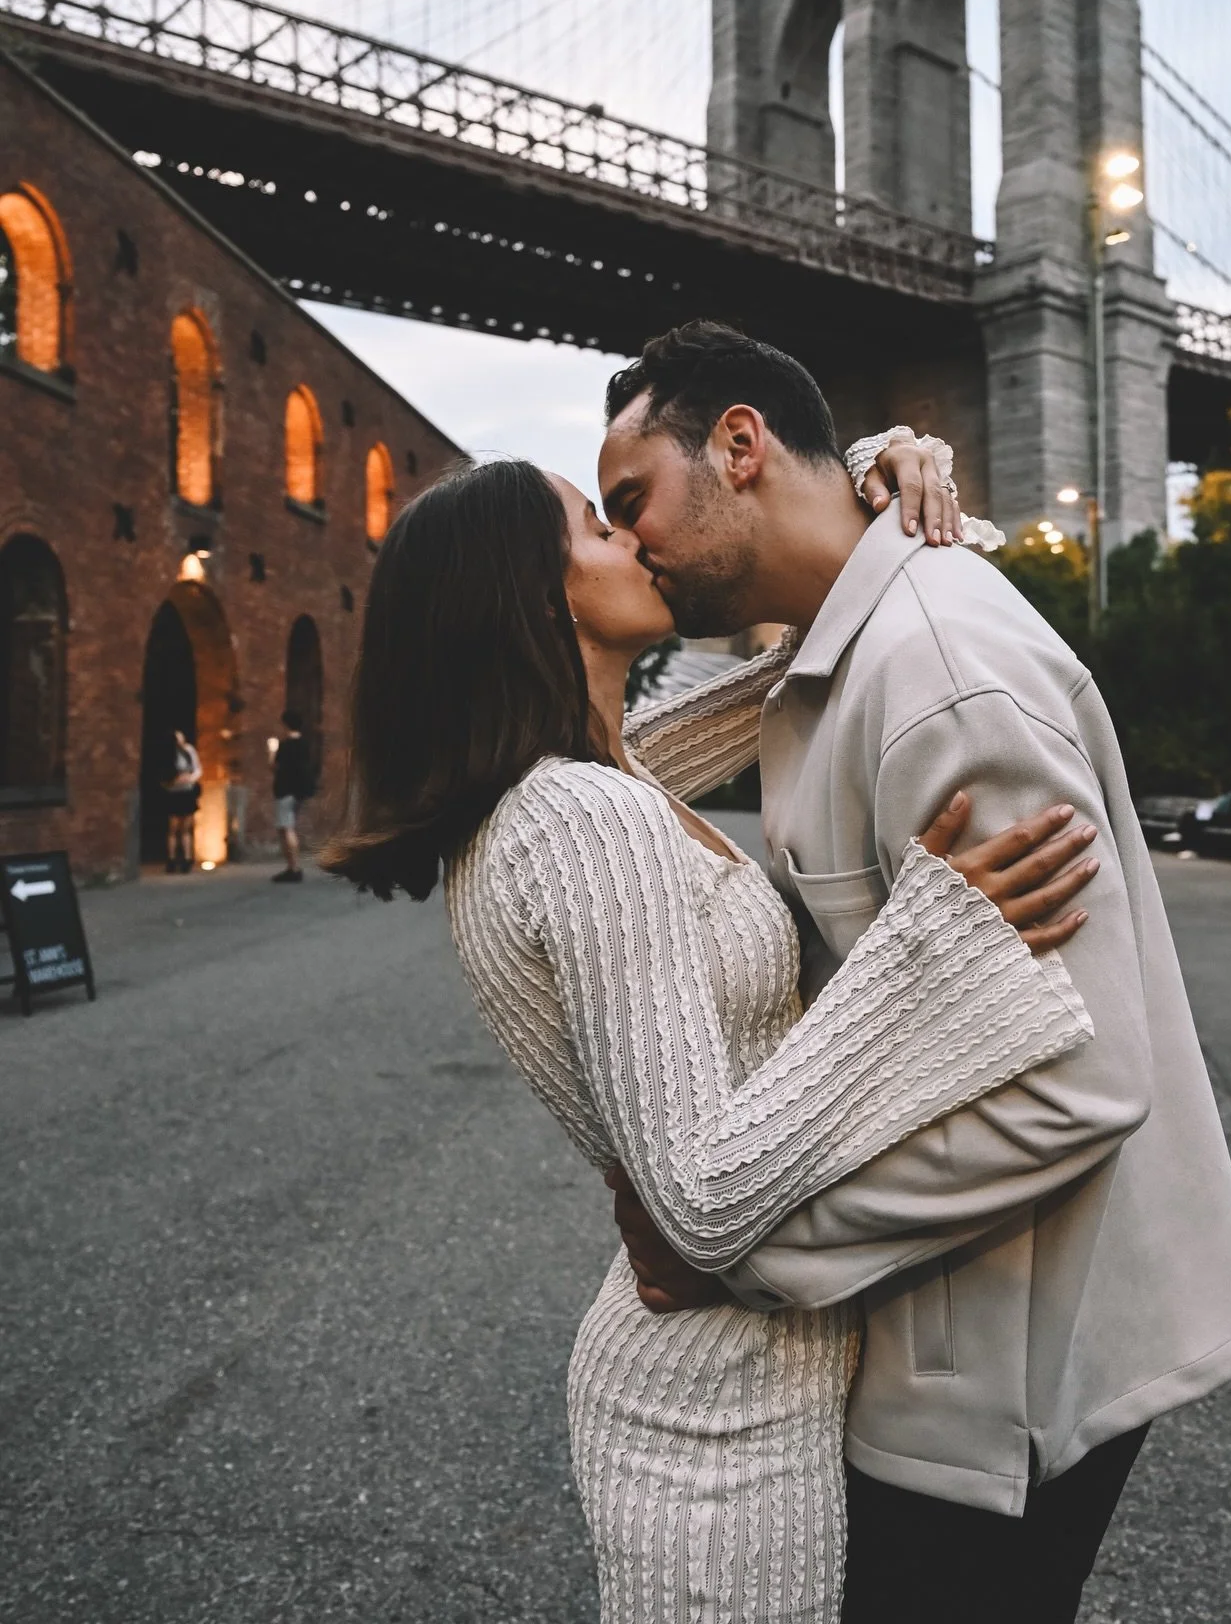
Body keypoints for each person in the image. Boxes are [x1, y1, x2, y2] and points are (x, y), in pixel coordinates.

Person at [322, 429, 1103, 1624]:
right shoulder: (581, 818)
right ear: (540, 596)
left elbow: (815, 655)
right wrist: (934, 948)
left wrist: (879, 483)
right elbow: (699, 1201)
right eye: (596, 525)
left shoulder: (601, 772)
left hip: (750, 1370)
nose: (634, 537)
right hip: (708, 1414)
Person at [597, 322, 1231, 1624]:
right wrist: (869, 476)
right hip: (951, 1328)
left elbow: (1070, 1083)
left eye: (632, 505)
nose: (634, 548)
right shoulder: (847, 643)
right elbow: (614, 780)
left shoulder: (941, 678)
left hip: (1009, 1361)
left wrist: (742, 1249)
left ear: (739, 445)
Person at [271, 709, 313, 884]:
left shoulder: (285, 745)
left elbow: (273, 767)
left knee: (286, 827)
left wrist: (271, 750)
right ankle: (292, 866)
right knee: (289, 826)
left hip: (285, 790)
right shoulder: (304, 744)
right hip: (299, 791)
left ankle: (293, 867)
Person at [163, 728, 202, 875]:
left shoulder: (188, 751)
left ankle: (187, 858)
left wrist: (190, 779)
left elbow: (197, 768)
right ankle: (171, 859)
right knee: (173, 827)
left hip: (187, 792)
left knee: (186, 826)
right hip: (174, 792)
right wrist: (172, 780)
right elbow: (164, 774)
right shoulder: (168, 754)